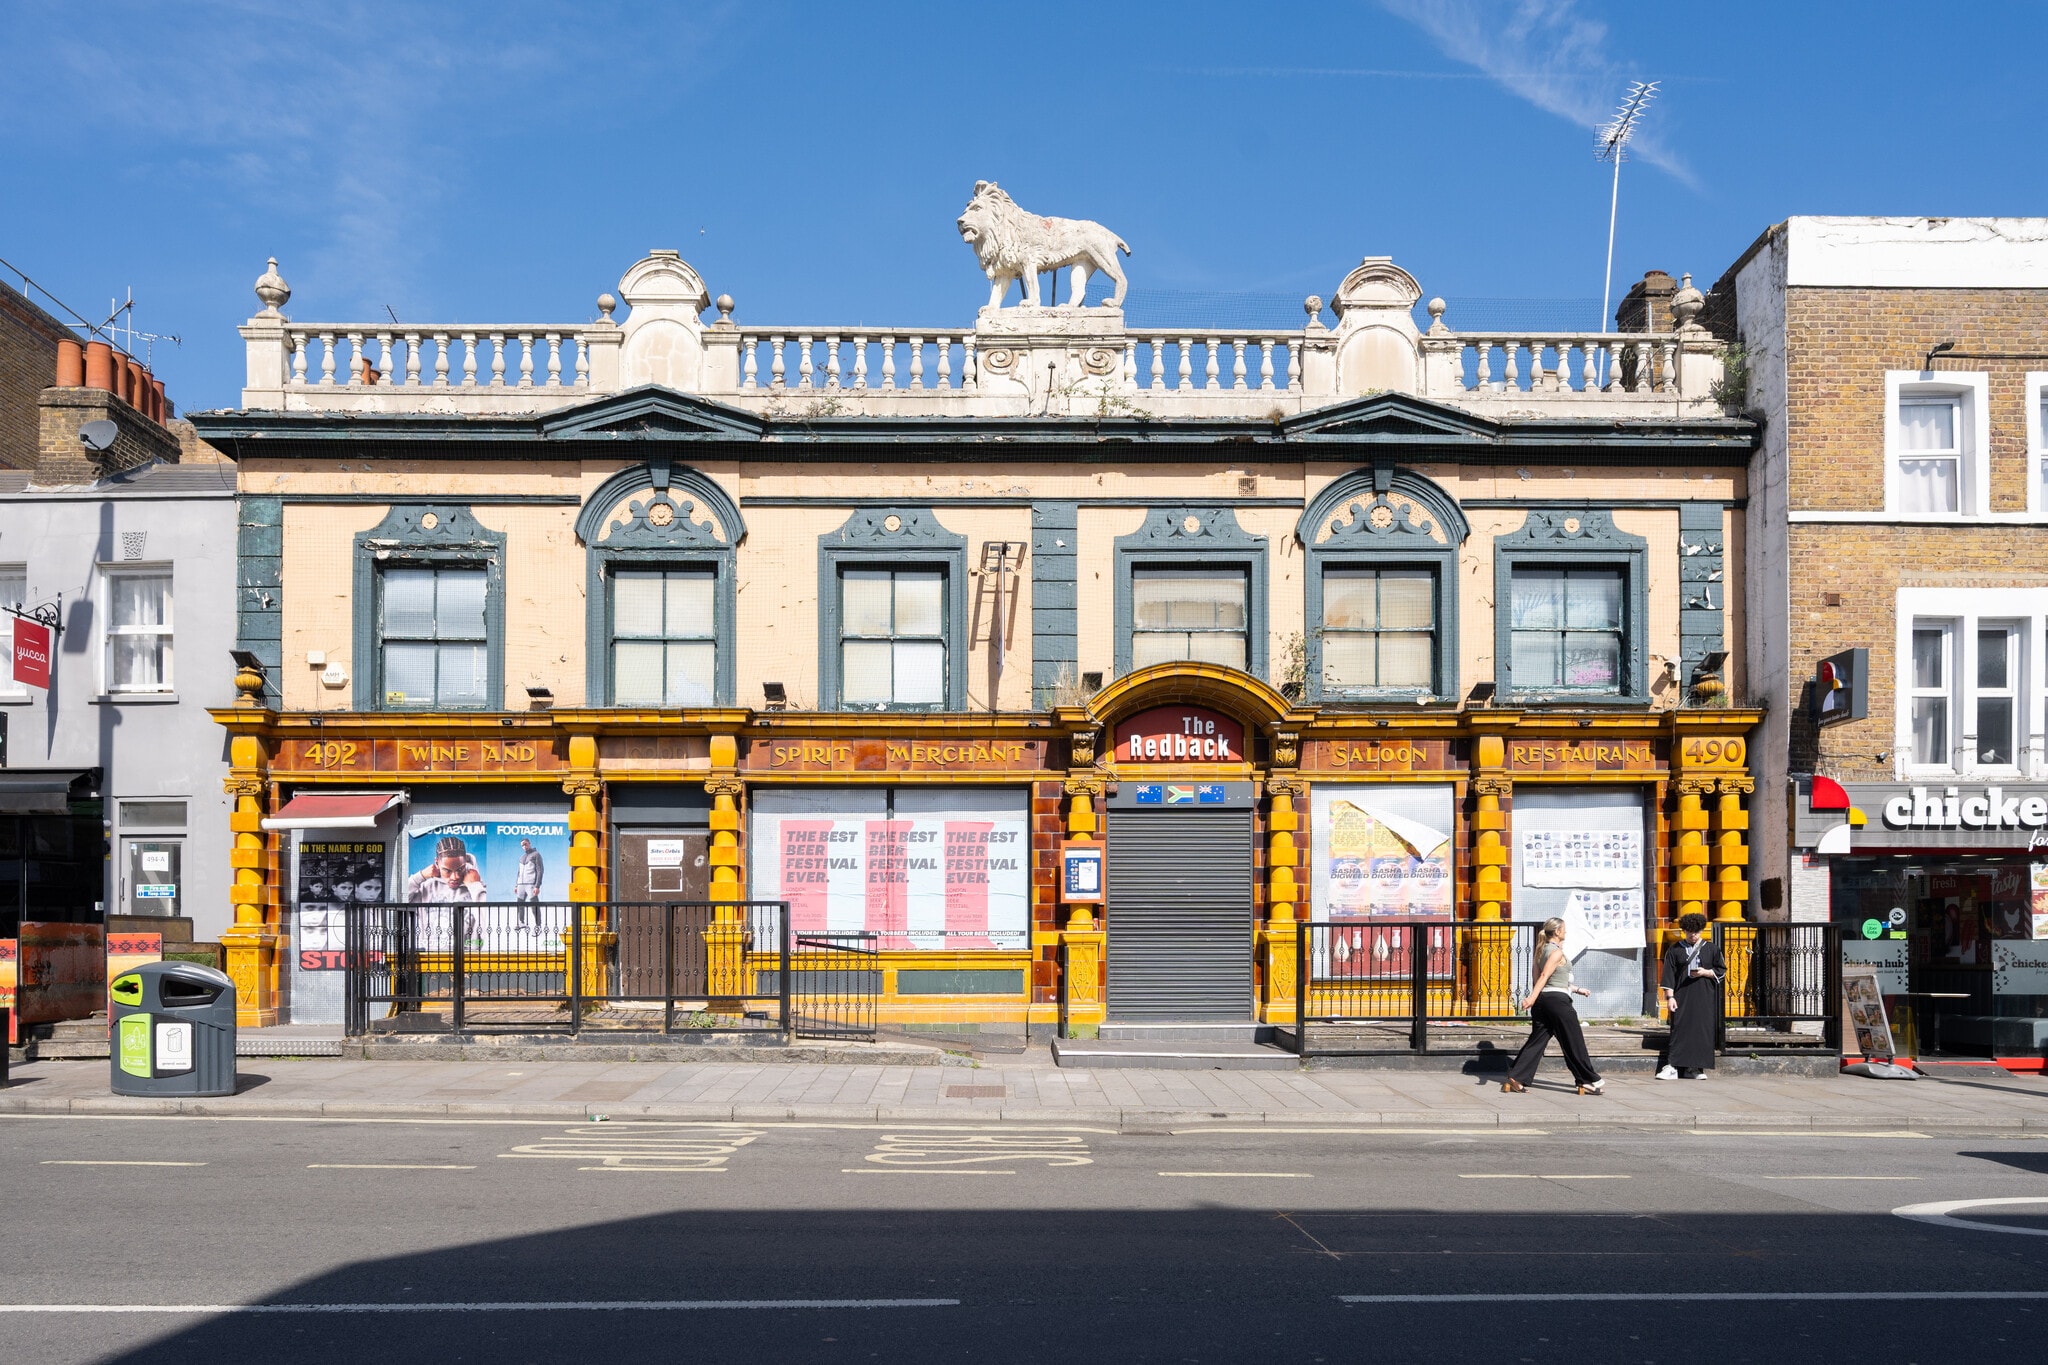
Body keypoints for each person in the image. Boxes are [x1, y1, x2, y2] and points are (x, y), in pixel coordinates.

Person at [1501, 917, 1604, 1096]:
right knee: (1573, 1041)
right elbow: (1544, 977)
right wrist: (1531, 998)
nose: (1566, 931)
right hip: (1557, 1003)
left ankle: (1516, 1076)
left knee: (1537, 1041)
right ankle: (1587, 1080)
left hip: (1544, 1001)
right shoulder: (1556, 952)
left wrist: (1576, 989)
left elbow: (1542, 979)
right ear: (1557, 932)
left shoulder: (1540, 951)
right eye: (1564, 929)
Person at [1658, 911, 1725, 1080]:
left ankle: (1694, 1068)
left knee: (1702, 1029)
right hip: (1682, 994)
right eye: (1689, 932)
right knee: (1679, 1028)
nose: (1692, 935)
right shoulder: (1675, 950)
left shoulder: (1712, 949)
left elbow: (1721, 970)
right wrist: (1670, 997)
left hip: (1704, 995)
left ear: (1701, 931)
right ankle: (1673, 1066)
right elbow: (1668, 976)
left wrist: (1705, 972)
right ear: (1684, 931)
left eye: (1696, 932)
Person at [513, 837, 545, 932]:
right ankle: (521, 922)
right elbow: (519, 872)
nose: (524, 846)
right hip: (521, 885)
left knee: (534, 905)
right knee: (520, 904)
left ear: (529, 843)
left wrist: (537, 885)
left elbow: (540, 871)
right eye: (522, 845)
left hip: (531, 884)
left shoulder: (536, 854)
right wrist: (516, 885)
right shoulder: (522, 857)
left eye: (525, 844)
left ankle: (538, 925)